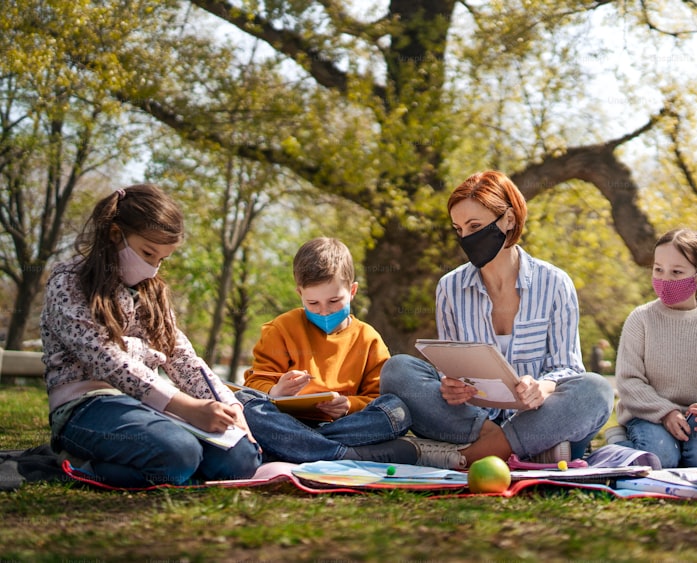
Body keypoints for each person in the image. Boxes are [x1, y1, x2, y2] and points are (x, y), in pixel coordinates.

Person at [379, 170, 615, 469]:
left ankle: (470, 457)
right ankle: (519, 450)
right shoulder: (450, 287)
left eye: (475, 226)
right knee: (397, 370)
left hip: (539, 415)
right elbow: (449, 368)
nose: (466, 237)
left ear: (509, 219)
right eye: (459, 229)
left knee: (596, 390)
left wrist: (542, 388)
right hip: (472, 419)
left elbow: (568, 367)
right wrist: (450, 385)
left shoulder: (555, 282)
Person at [39, 184, 261, 487]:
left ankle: (166, 469)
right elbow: (107, 360)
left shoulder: (152, 293)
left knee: (240, 460)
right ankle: (81, 463)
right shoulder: (70, 282)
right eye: (147, 253)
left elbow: (181, 355)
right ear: (115, 234)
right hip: (85, 407)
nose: (153, 268)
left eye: (162, 259)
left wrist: (229, 406)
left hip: (149, 407)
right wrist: (187, 407)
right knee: (179, 454)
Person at [234, 237, 423, 465]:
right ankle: (342, 454)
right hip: (287, 422)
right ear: (300, 294)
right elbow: (255, 385)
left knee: (397, 411)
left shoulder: (368, 338)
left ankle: (299, 449)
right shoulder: (281, 329)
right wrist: (276, 391)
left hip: (344, 426)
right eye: (313, 303)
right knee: (244, 403)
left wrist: (348, 406)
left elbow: (377, 397)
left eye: (334, 301)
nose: (324, 312)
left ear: (352, 291)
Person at [606, 228, 697, 468]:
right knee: (660, 457)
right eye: (658, 269)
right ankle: (618, 447)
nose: (665, 280)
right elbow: (629, 381)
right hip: (649, 416)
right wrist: (666, 413)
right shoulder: (640, 319)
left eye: (676, 272)